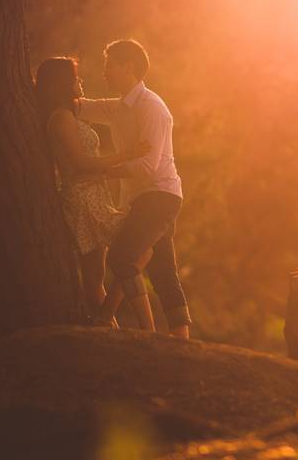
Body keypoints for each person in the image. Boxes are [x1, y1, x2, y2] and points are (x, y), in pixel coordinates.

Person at [78, 39, 193, 338]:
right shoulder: (119, 108)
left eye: (110, 65)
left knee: (121, 257)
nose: (105, 72)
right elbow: (82, 108)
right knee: (163, 271)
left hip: (160, 196)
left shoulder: (152, 107)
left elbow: (147, 167)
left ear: (128, 66)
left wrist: (102, 172)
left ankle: (125, 326)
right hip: (146, 197)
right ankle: (181, 343)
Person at [34, 57, 146, 319]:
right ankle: (107, 320)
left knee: (96, 276)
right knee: (141, 244)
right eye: (74, 78)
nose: (79, 81)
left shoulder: (68, 115)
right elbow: (82, 163)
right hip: (84, 199)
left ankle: (106, 324)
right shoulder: (60, 118)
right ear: (62, 84)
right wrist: (127, 155)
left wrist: (111, 172)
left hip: (93, 194)